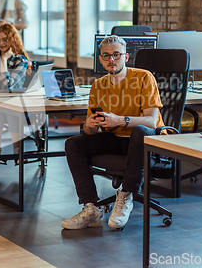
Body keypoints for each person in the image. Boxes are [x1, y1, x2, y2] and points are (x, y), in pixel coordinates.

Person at [62, 35, 164, 230]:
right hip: (116, 139)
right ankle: (90, 207)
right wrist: (90, 125)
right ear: (100, 59)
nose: (111, 59)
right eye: (106, 56)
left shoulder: (144, 77)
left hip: (147, 141)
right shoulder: (98, 85)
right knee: (74, 143)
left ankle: (126, 195)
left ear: (126, 57)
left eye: (116, 55)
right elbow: (90, 131)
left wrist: (120, 120)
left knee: (140, 131)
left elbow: (151, 121)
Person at [0, 23, 29, 157]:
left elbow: (9, 87)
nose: (1, 43)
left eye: (5, 40)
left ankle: (17, 153)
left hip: (15, 104)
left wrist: (3, 61)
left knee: (8, 109)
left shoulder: (21, 60)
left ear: (12, 40)